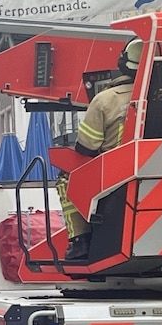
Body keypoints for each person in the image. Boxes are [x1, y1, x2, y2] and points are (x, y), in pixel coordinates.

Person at [58, 37, 142, 260]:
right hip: (151, 168)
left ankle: (80, 240)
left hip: (113, 175)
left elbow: (86, 147)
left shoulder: (104, 99)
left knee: (66, 178)